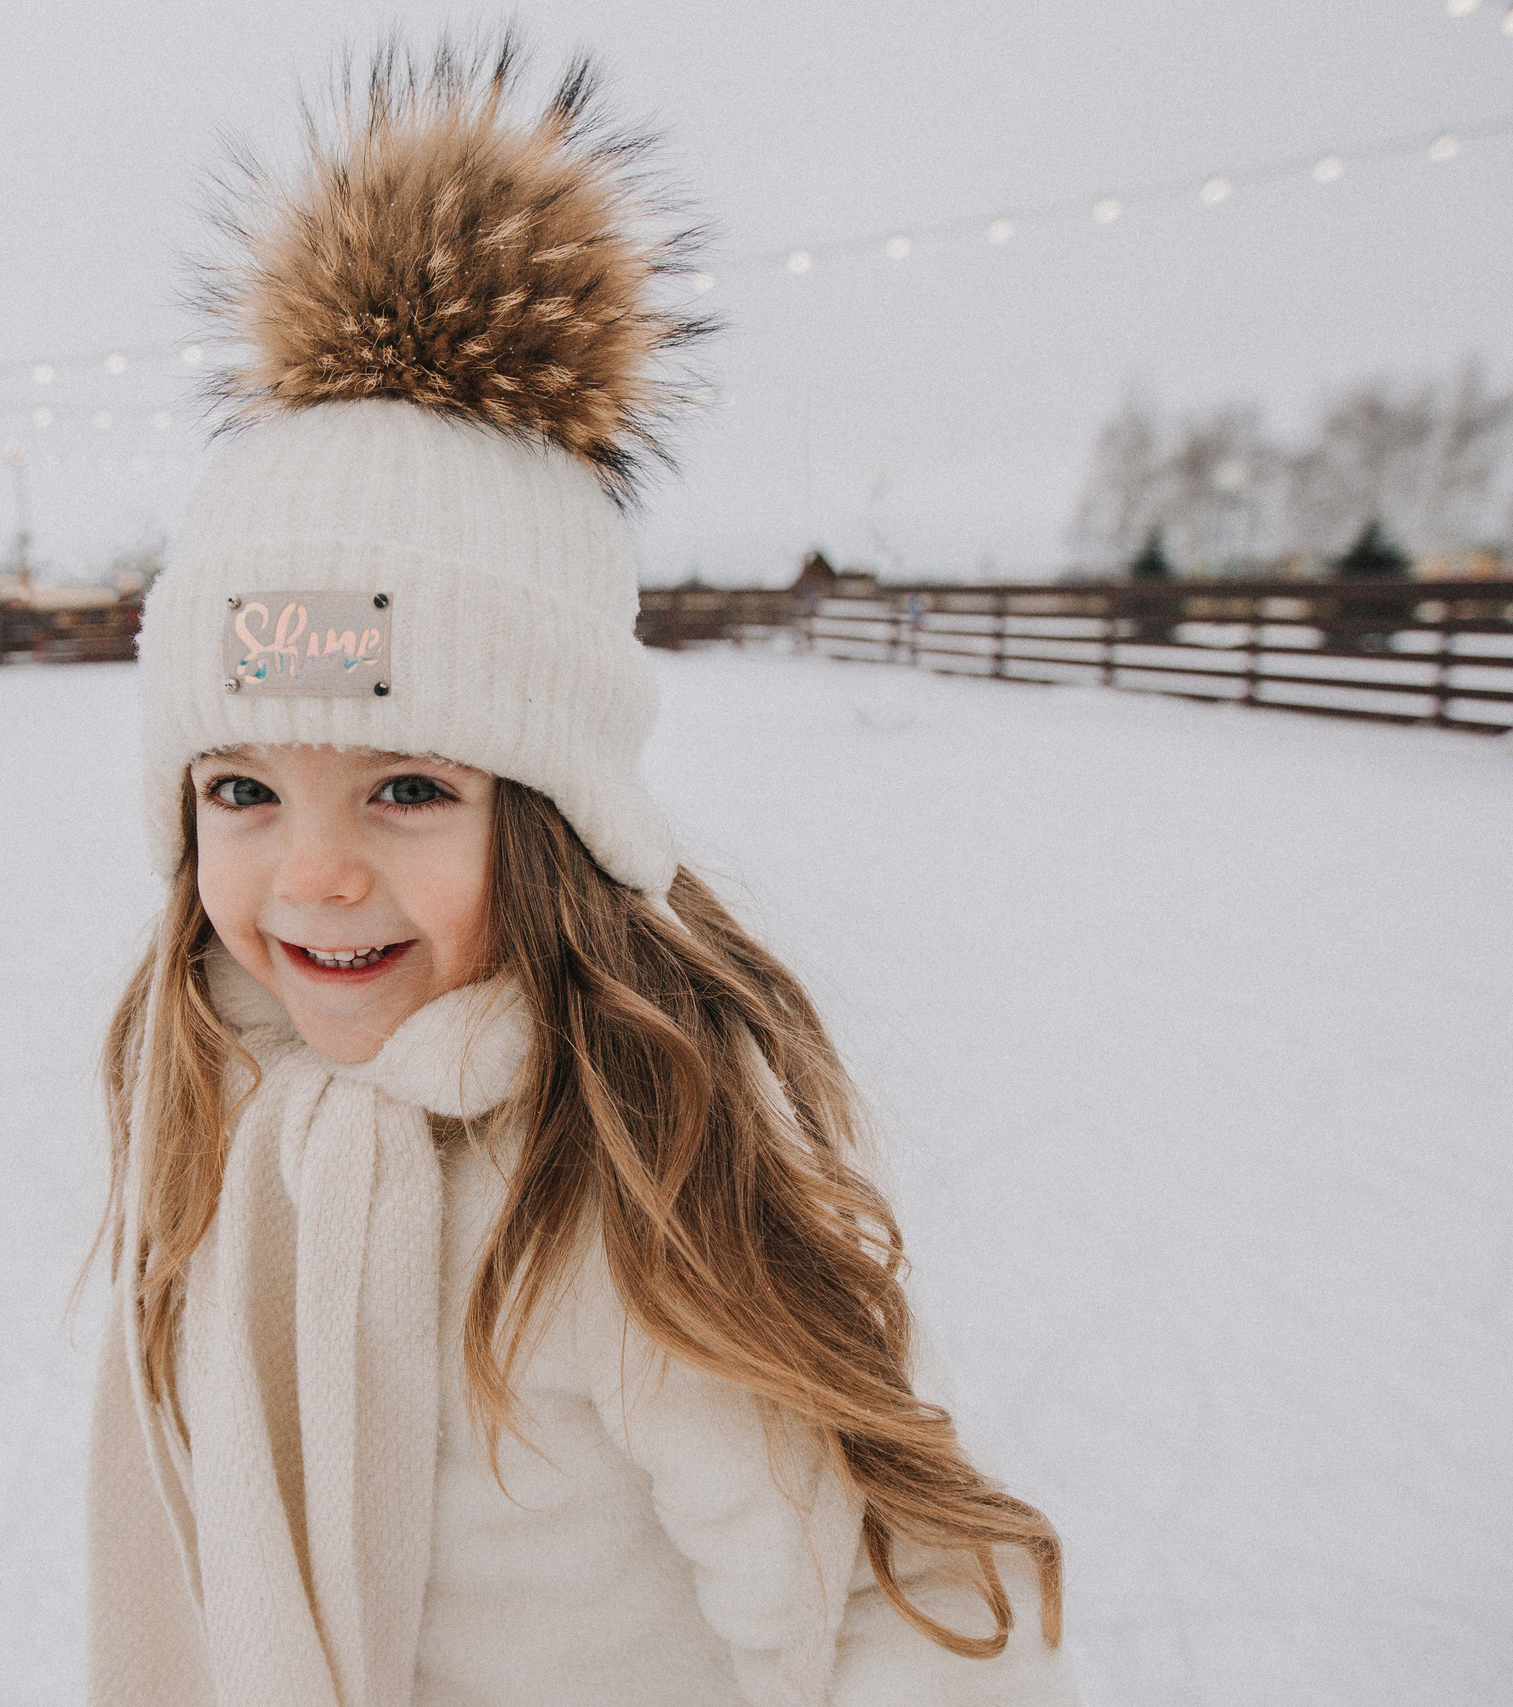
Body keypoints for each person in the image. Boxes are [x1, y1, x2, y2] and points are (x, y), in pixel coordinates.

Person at [86, 39, 1077, 1705]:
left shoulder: (625, 1181)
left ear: (551, 825)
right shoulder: (226, 1096)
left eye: (407, 786)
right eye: (243, 788)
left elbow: (888, 1584)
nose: (312, 876)